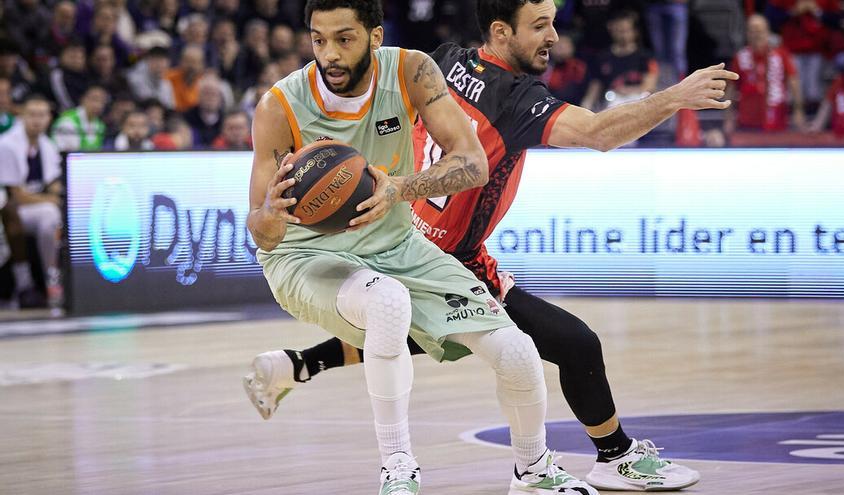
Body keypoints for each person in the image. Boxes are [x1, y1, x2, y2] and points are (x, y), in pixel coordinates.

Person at [270, 0, 738, 491]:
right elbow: (600, 133)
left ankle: (299, 364)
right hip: (452, 261)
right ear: (500, 31)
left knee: (418, 331)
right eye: (539, 26)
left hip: (409, 239)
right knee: (568, 344)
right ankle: (593, 460)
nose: (554, 37)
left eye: (553, 23)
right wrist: (675, 97)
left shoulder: (445, 60)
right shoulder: (516, 97)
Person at [244, 1, 600, 494]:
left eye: (343, 39)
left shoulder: (412, 70)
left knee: (517, 350)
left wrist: (397, 189)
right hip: (305, 257)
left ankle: (533, 471)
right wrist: (272, 215)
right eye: (318, 39)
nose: (329, 54)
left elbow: (472, 163)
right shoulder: (279, 107)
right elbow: (260, 232)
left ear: (374, 36)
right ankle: (398, 470)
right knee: (388, 302)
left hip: (395, 245)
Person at [0, 94, 64, 309]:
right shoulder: (7, 145)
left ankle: (53, 278)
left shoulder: (47, 144)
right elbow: (16, 196)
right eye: (32, 115)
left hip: (38, 209)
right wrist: (51, 199)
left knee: (52, 216)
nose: (37, 120)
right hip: (10, 211)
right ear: (22, 117)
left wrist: (57, 194)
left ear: (49, 118)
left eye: (42, 115)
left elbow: (53, 181)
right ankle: (43, 279)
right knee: (49, 212)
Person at [724, 14, 805, 134]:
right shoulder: (740, 57)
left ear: (767, 32)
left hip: (777, 121)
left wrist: (798, 111)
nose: (757, 35)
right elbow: (731, 88)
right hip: (748, 123)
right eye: (753, 31)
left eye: (760, 31)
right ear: (747, 33)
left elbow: (794, 82)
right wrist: (728, 118)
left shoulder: (781, 55)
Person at [581, 10, 659, 113]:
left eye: (626, 30)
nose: (623, 35)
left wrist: (627, 91)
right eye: (619, 30)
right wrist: (584, 108)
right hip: (613, 104)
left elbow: (649, 86)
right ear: (611, 30)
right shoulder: (602, 58)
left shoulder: (646, 57)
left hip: (639, 102)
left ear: (635, 31)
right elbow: (595, 88)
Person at [50, 84, 108, 152]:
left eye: (102, 101)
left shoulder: (100, 125)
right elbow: (70, 152)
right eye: (94, 99)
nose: (98, 105)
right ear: (83, 99)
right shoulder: (67, 121)